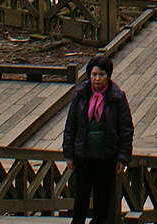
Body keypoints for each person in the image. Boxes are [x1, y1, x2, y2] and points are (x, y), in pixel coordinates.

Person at [63, 54, 133, 224]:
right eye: (94, 75)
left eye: (101, 75)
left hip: (106, 156)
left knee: (103, 200)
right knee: (81, 197)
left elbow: (126, 129)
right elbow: (70, 125)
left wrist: (123, 157)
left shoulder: (117, 97)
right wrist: (68, 154)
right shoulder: (81, 94)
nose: (97, 79)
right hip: (83, 154)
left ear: (108, 75)